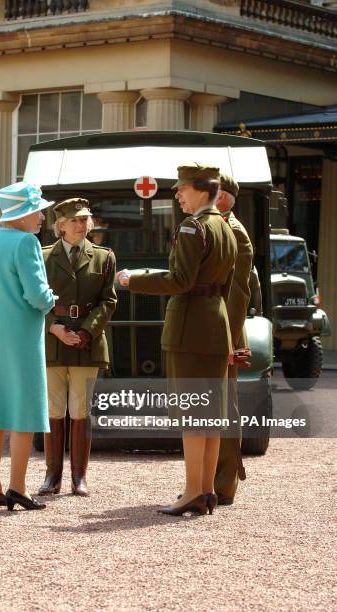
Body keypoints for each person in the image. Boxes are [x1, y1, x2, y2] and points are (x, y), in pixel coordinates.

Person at [116, 164, 237, 516]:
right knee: (210, 414)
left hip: (189, 326)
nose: (178, 195)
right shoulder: (224, 225)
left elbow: (181, 280)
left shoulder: (192, 226)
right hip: (215, 324)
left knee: (191, 414)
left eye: (182, 188)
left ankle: (190, 492)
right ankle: (207, 490)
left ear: (201, 190)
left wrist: (133, 280)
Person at [0, 182, 56, 511]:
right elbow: (37, 296)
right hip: (18, 335)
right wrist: (52, 299)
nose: (41, 217)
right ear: (23, 214)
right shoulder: (26, 242)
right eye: (37, 211)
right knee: (24, 412)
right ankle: (18, 488)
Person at [38, 198, 117, 497]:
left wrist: (86, 331)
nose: (82, 225)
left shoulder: (104, 256)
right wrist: (52, 327)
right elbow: (31, 299)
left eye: (85, 220)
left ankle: (78, 477)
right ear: (60, 226)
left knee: (80, 410)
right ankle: (52, 476)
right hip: (53, 342)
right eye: (75, 221)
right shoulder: (42, 257)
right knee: (55, 410)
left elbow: (108, 301)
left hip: (87, 342)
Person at [214, 173, 254, 505]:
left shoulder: (235, 233)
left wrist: (229, 341)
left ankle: (224, 484)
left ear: (227, 197)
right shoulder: (214, 225)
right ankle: (209, 479)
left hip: (225, 330)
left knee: (225, 406)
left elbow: (239, 294)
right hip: (213, 328)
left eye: (215, 192)